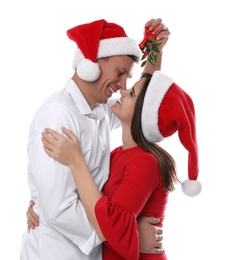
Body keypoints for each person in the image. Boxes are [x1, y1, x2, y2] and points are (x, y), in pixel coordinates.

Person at [21, 18, 170, 260]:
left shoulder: (98, 110)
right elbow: (59, 209)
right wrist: (126, 233)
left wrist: (154, 51)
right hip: (55, 253)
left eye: (127, 80)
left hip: (93, 252)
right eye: (120, 73)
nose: (122, 86)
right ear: (91, 63)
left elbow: (140, 106)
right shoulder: (58, 115)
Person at [39, 70, 202, 259]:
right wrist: (39, 205)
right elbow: (89, 196)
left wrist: (76, 161)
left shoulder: (146, 162)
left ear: (144, 114)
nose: (123, 91)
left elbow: (113, 226)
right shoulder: (117, 154)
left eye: (131, 93)